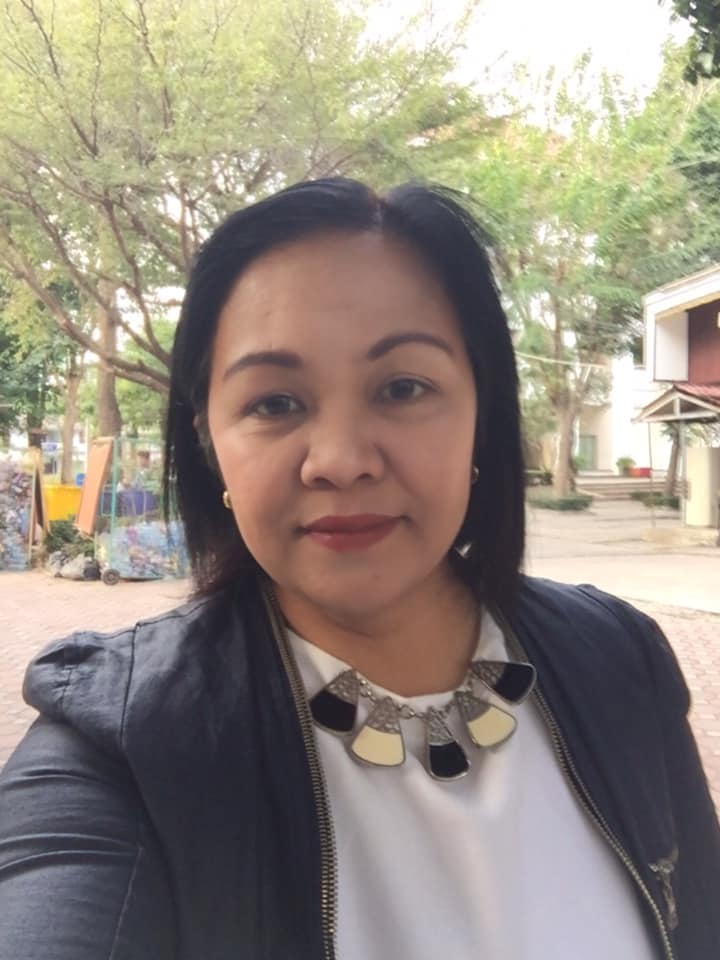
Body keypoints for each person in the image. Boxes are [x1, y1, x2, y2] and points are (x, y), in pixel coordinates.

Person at [0, 178, 718, 960]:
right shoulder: (120, 746)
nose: (340, 461)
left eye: (403, 388)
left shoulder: (620, 660)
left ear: (482, 414)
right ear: (209, 442)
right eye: (274, 403)